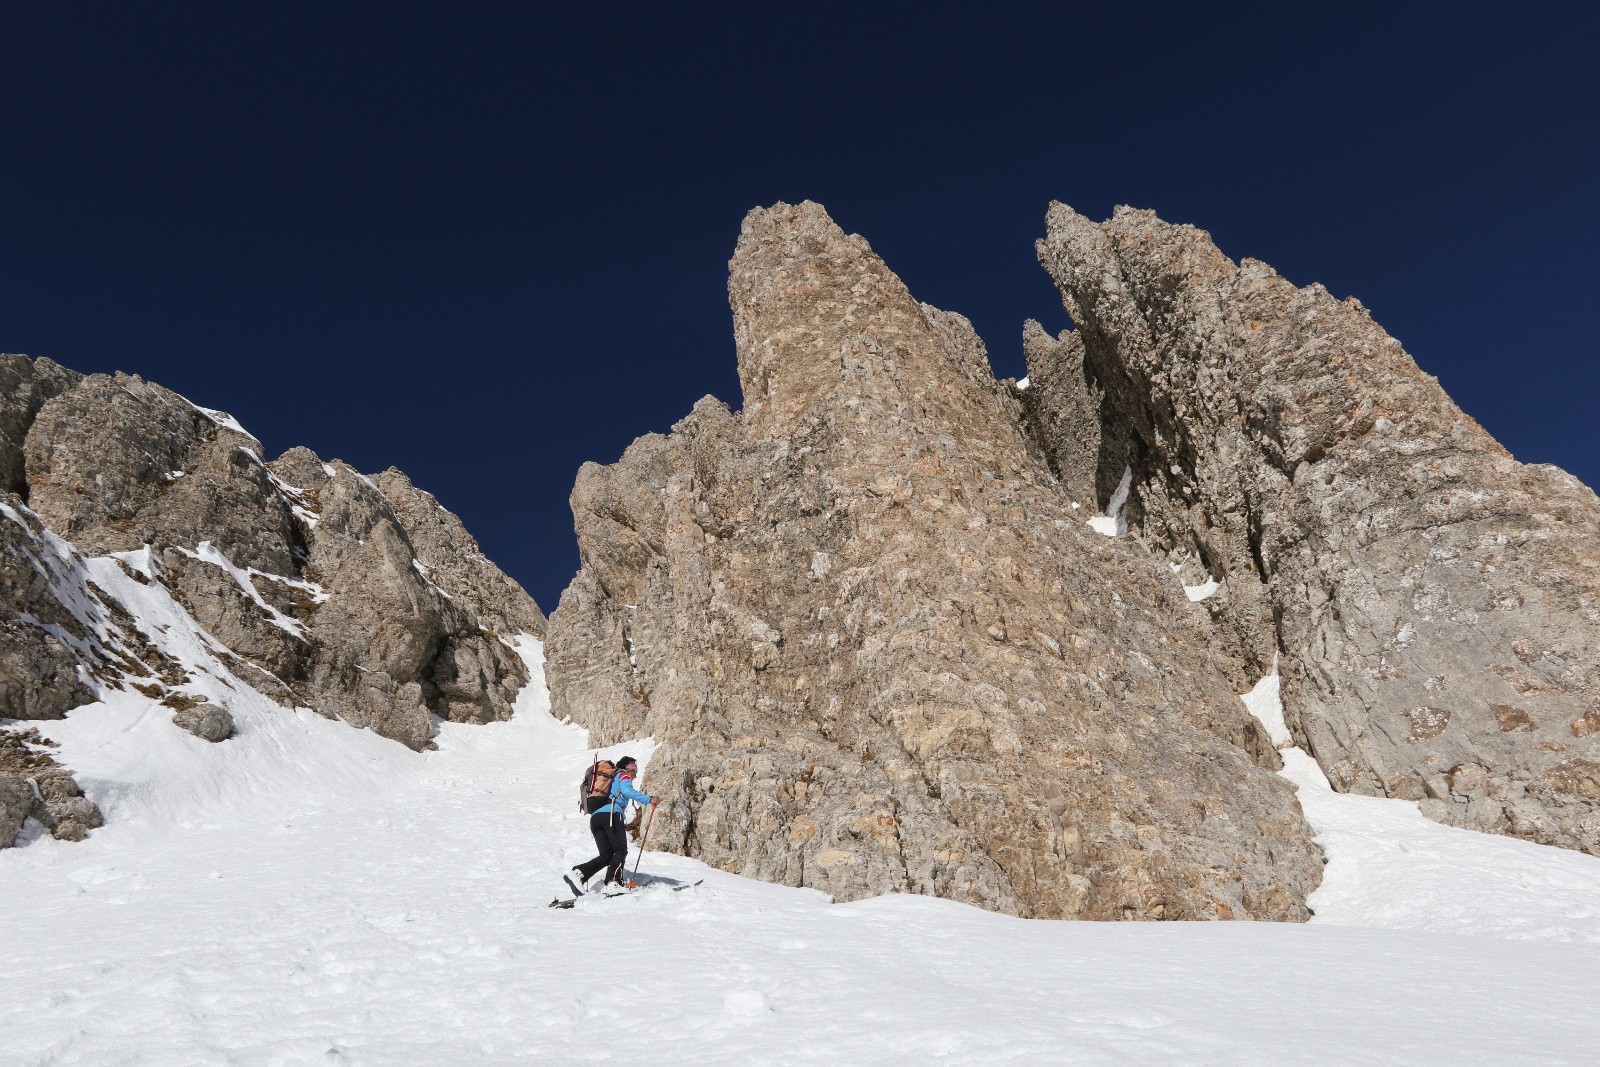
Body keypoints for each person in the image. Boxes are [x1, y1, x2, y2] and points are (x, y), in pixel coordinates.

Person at [573, 755, 656, 888]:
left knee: (607, 855)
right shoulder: (623, 775)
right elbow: (626, 791)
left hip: (596, 817)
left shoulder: (610, 780)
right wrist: (649, 799)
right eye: (635, 770)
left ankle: (580, 873)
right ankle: (614, 882)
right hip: (611, 814)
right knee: (620, 850)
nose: (635, 775)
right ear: (630, 768)